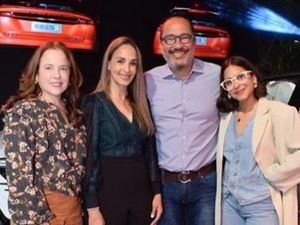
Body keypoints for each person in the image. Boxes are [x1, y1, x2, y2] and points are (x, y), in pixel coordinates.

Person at [145, 16, 220, 225]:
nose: (178, 45)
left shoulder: (217, 76)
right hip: (165, 187)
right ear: (161, 45)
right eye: (170, 39)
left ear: (194, 41)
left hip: (206, 184)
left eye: (184, 37)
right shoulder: (147, 81)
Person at [2, 42, 86, 225]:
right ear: (37, 74)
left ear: (70, 75)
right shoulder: (23, 113)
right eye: (49, 68)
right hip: (43, 216)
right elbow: (20, 179)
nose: (57, 75)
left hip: (74, 213)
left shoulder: (75, 115)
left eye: (63, 68)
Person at [83, 36, 163, 225]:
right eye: (120, 61)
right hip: (108, 195)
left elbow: (150, 153)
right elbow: (90, 158)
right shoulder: (95, 103)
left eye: (133, 63)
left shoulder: (142, 104)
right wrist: (92, 208)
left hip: (142, 195)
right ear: (108, 64)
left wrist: (156, 191)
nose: (127, 70)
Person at [215, 55, 300, 225]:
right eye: (229, 82)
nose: (236, 84)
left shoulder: (280, 112)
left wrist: (273, 175)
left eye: (240, 76)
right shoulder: (225, 119)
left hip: (263, 206)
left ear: (253, 78)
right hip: (229, 204)